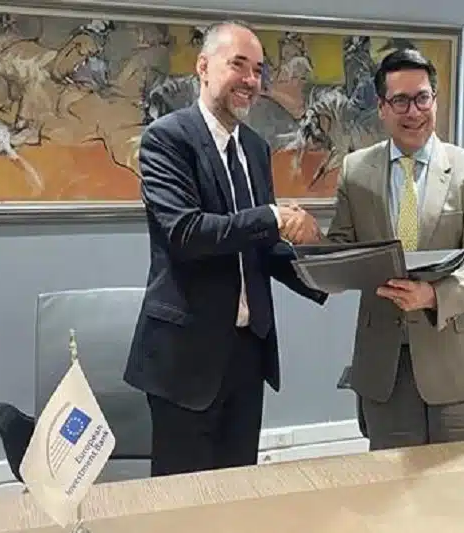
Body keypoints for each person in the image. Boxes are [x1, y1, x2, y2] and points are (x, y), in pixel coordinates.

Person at [123, 20, 326, 476]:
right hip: (186, 356)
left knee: (238, 493)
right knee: (183, 499)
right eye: (239, 65)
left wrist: (325, 272)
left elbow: (259, 246)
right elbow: (187, 233)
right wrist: (273, 216)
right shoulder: (166, 139)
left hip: (247, 354)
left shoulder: (255, 148)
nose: (251, 80)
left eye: (258, 70)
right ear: (203, 67)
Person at [302, 48, 464, 450]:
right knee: (392, 483)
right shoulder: (355, 171)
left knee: (463, 482)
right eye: (400, 101)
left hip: (458, 360)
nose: (414, 111)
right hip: (385, 365)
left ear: (434, 100)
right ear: (381, 107)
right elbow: (343, 251)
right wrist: (310, 240)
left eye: (422, 98)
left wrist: (432, 295)